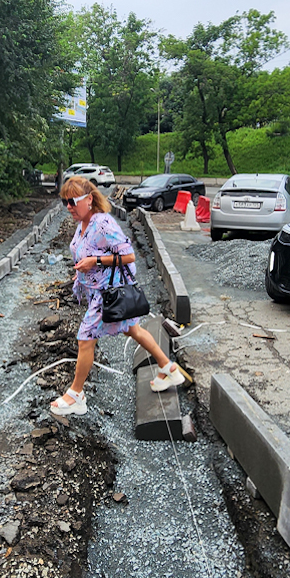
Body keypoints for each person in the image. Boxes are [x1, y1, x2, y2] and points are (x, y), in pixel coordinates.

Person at [51, 177, 186, 416]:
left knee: (85, 339)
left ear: (89, 199)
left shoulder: (102, 223)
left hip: (107, 295)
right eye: (65, 202)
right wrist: (82, 272)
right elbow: (86, 255)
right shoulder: (83, 223)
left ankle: (76, 396)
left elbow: (129, 256)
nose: (68, 207)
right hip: (96, 292)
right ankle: (168, 367)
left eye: (72, 201)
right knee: (133, 330)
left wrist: (95, 261)